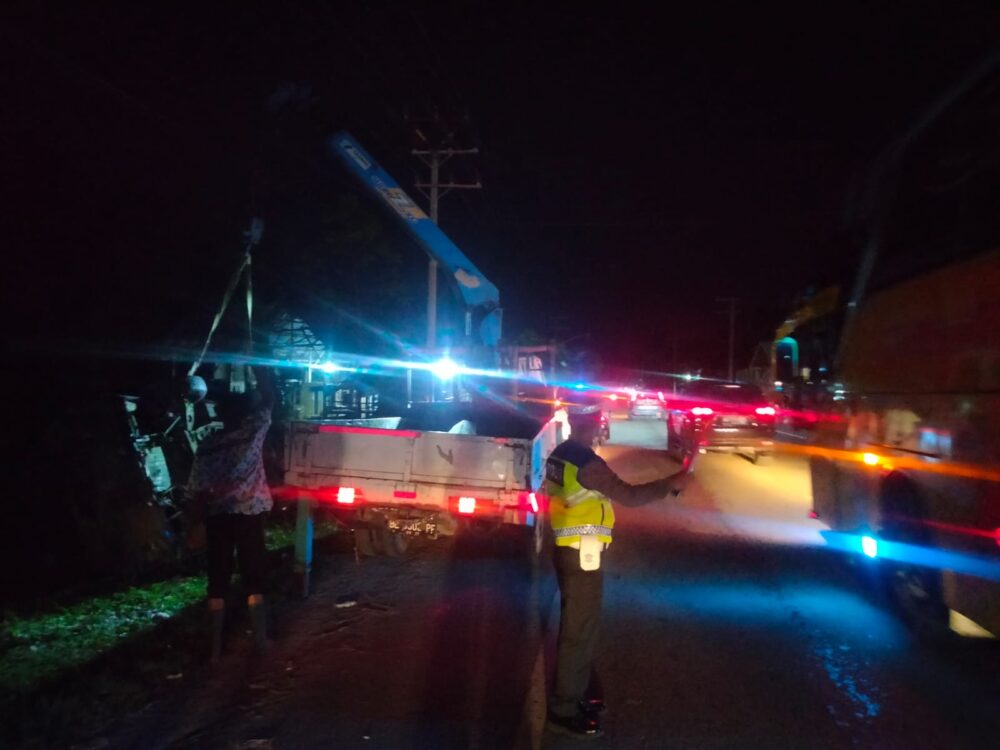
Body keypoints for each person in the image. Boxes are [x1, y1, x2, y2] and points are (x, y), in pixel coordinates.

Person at [544, 402, 688, 738]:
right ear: (591, 424)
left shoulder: (561, 454)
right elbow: (630, 496)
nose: (599, 429)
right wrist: (672, 482)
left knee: (576, 627)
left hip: (566, 547)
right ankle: (563, 710)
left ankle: (574, 692)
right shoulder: (586, 463)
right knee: (579, 632)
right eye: (598, 423)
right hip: (582, 553)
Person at [187, 368, 275, 661]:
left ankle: (214, 649)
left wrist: (195, 525)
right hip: (249, 516)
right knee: (254, 576)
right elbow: (270, 399)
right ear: (245, 414)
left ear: (220, 413)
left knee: (218, 580)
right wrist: (259, 367)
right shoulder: (252, 434)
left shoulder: (207, 447)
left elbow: (198, 493)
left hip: (218, 519)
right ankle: (260, 641)